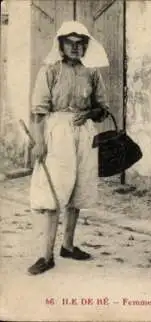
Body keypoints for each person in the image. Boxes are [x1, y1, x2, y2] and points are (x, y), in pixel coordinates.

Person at [28, 21, 110, 275]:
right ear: (61, 45)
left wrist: (88, 113)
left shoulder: (92, 72)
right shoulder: (50, 70)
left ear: (86, 46)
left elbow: (102, 109)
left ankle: (68, 245)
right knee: (54, 191)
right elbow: (39, 111)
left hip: (84, 134)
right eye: (70, 43)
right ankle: (46, 254)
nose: (75, 48)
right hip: (57, 133)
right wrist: (40, 142)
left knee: (78, 187)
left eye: (80, 44)